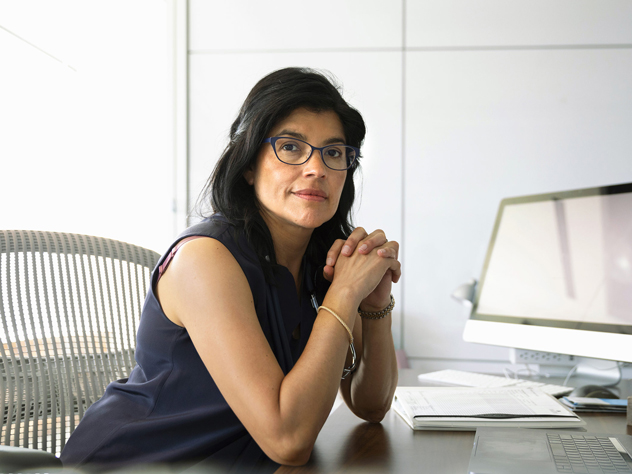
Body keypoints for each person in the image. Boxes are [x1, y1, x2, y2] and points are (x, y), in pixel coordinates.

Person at [61, 67, 401, 473]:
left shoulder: (322, 261)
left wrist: (374, 306)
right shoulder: (204, 259)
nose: (317, 168)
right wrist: (345, 295)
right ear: (248, 165)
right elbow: (287, 439)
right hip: (133, 464)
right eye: (291, 147)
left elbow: (372, 405)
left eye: (333, 152)